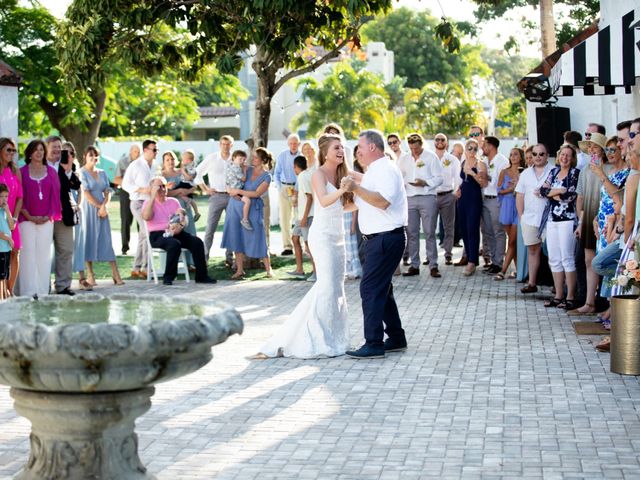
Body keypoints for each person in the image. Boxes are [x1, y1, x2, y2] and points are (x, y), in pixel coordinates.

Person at [254, 134, 353, 359]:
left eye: (342, 148)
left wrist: (357, 199)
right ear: (325, 152)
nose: (341, 151)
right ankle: (315, 339)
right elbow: (325, 201)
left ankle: (335, 337)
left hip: (338, 237)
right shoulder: (318, 174)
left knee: (336, 288)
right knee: (326, 286)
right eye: (336, 148)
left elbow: (342, 205)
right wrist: (342, 190)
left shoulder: (342, 174)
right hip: (322, 236)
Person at [342, 129, 408, 359]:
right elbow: (361, 196)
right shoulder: (373, 171)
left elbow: (382, 202)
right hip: (377, 239)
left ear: (372, 147)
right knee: (382, 289)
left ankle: (374, 342)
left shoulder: (387, 169)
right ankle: (396, 337)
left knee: (369, 288)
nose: (357, 151)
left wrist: (355, 188)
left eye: (360, 146)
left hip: (386, 238)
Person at [142, 176, 216, 285]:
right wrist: (153, 196)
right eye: (159, 187)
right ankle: (168, 277)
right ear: (152, 188)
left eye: (164, 186)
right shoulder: (148, 203)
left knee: (197, 242)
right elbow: (147, 217)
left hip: (176, 232)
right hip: (158, 235)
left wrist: (180, 226)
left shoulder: (173, 201)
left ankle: (202, 276)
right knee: (174, 244)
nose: (162, 189)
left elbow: (183, 219)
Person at [221, 147, 274, 279]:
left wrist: (237, 192)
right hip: (236, 206)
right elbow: (230, 176)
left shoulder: (267, 176)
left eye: (256, 157)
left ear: (263, 160)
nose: (252, 159)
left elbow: (256, 193)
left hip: (253, 208)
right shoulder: (246, 168)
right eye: (253, 156)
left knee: (259, 236)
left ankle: (269, 269)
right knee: (236, 237)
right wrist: (229, 190)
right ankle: (239, 270)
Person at [18, 140, 61, 298]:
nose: (39, 152)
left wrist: (48, 216)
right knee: (27, 255)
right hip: (26, 220)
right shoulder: (21, 172)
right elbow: (19, 196)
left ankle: (42, 292)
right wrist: (29, 215)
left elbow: (55, 197)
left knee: (43, 256)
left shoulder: (51, 172)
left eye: (42, 149)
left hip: (46, 221)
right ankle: (28, 293)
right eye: (36, 150)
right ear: (29, 153)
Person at [538, 144, 580, 310]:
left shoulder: (575, 173)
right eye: (562, 154)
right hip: (552, 219)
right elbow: (542, 191)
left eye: (568, 155)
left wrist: (553, 192)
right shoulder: (553, 172)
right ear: (558, 156)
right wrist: (558, 191)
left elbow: (570, 196)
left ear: (572, 158)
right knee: (554, 258)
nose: (564, 158)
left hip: (567, 220)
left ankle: (570, 296)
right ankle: (558, 295)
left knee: (567, 258)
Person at [573, 132, 610, 314]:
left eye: (595, 146)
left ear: (602, 149)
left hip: (607, 217)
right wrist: (580, 222)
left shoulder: (610, 168)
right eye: (589, 147)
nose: (591, 149)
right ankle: (589, 302)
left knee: (606, 259)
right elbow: (580, 197)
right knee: (589, 259)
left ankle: (606, 303)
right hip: (588, 216)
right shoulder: (586, 170)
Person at [397, 133, 443, 278]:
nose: (414, 151)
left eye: (416, 148)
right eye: (411, 149)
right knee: (412, 233)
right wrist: (403, 184)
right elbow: (398, 176)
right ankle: (414, 265)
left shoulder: (431, 157)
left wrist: (426, 183)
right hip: (410, 198)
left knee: (429, 231)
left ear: (421, 145)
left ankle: (433, 265)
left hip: (427, 197)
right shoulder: (404, 159)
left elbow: (439, 178)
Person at [77, 146, 125, 287]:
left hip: (103, 211)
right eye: (90, 155)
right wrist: (99, 207)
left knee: (107, 240)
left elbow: (108, 190)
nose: (93, 158)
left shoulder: (103, 173)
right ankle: (91, 275)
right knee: (88, 241)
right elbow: (85, 193)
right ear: (85, 156)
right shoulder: (81, 173)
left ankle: (116, 274)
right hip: (89, 211)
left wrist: (105, 206)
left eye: (96, 155)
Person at [516, 143, 554, 294]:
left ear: (547, 155)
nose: (538, 157)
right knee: (532, 249)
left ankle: (557, 285)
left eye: (541, 154)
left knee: (552, 251)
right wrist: (521, 216)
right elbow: (520, 195)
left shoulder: (554, 171)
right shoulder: (525, 173)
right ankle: (532, 283)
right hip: (530, 218)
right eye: (535, 154)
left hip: (549, 218)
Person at [47, 135, 81, 296]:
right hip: (44, 216)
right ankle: (42, 285)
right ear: (46, 148)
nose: (56, 149)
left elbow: (76, 185)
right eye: (53, 146)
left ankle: (63, 286)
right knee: (43, 252)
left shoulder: (66, 164)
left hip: (64, 215)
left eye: (58, 146)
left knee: (66, 250)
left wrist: (68, 171)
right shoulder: (38, 165)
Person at [196, 135, 234, 264]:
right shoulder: (212, 158)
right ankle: (204, 257)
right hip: (216, 196)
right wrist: (205, 189)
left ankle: (230, 258)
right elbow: (197, 172)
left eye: (228, 144)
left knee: (231, 228)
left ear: (231, 145)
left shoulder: (235, 158)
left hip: (232, 197)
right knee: (210, 228)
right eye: (223, 144)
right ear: (220, 145)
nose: (225, 146)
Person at [122, 139, 157, 279]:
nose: (155, 152)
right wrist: (141, 189)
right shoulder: (135, 165)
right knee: (147, 233)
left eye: (156, 150)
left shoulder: (155, 165)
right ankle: (146, 267)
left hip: (150, 203)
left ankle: (137, 268)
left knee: (144, 234)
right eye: (153, 150)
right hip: (137, 202)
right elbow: (125, 184)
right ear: (146, 150)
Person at [457, 139, 488, 277]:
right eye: (469, 148)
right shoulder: (462, 162)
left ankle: (472, 261)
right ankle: (470, 256)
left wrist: (473, 173)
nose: (472, 151)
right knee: (464, 229)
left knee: (472, 228)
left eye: (475, 149)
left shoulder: (480, 163)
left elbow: (484, 183)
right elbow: (461, 180)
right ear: (465, 149)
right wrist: (457, 189)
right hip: (462, 198)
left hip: (474, 199)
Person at [494, 148, 524, 281]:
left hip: (519, 207)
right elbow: (498, 191)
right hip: (507, 205)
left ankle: (503, 270)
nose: (512, 156)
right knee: (513, 241)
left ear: (521, 156)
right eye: (511, 154)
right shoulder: (504, 172)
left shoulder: (524, 171)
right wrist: (511, 189)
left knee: (512, 241)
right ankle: (519, 271)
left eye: (515, 154)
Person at [480, 136, 509, 274]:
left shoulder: (502, 160)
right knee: (488, 231)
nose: (482, 147)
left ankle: (499, 262)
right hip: (485, 198)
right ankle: (493, 260)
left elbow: (500, 181)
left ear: (491, 146)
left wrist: (486, 177)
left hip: (496, 199)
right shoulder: (485, 160)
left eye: (484, 144)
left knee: (498, 231)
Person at [434, 133, 461, 265]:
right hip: (432, 196)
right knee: (430, 228)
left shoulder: (452, 159)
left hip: (447, 195)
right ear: (434, 142)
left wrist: (455, 193)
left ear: (447, 143)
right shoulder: (429, 158)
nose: (439, 141)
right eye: (437, 139)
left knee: (449, 227)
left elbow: (457, 177)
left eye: (442, 140)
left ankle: (448, 255)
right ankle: (430, 257)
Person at [0, 138, 22, 296]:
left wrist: (14, 217)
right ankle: (2, 292)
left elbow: (20, 197)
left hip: (12, 219)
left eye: (13, 150)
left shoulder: (15, 170)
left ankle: (10, 290)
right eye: (8, 150)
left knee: (14, 252)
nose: (12, 153)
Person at [274, 133, 301, 255]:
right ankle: (287, 247)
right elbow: (277, 173)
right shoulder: (282, 155)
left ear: (298, 144)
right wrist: (280, 188)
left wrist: (298, 189)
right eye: (291, 143)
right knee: (285, 218)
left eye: (295, 143)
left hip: (299, 188)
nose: (293, 145)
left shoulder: (302, 156)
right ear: (288, 144)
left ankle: (300, 245)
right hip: (284, 188)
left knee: (300, 218)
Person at [113, 144, 140, 255]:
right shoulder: (122, 162)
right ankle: (125, 247)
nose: (137, 154)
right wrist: (130, 184)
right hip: (126, 193)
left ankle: (143, 246)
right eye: (135, 152)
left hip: (139, 193)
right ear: (130, 152)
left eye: (139, 152)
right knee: (126, 220)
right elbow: (116, 179)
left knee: (141, 220)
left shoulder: (142, 163)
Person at [225, 150, 252, 230]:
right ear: (234, 158)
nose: (242, 161)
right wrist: (244, 170)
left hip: (233, 189)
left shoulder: (230, 165)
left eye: (244, 160)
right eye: (240, 159)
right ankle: (245, 219)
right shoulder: (236, 168)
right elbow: (243, 179)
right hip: (236, 189)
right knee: (247, 201)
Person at [0, 183, 15, 299]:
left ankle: (4, 299)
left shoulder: (4, 211)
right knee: (0, 278)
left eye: (6, 196)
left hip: (6, 248)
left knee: (5, 277)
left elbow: (11, 226)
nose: (4, 199)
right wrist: (9, 238)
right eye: (1, 197)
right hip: (1, 248)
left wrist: (8, 211)